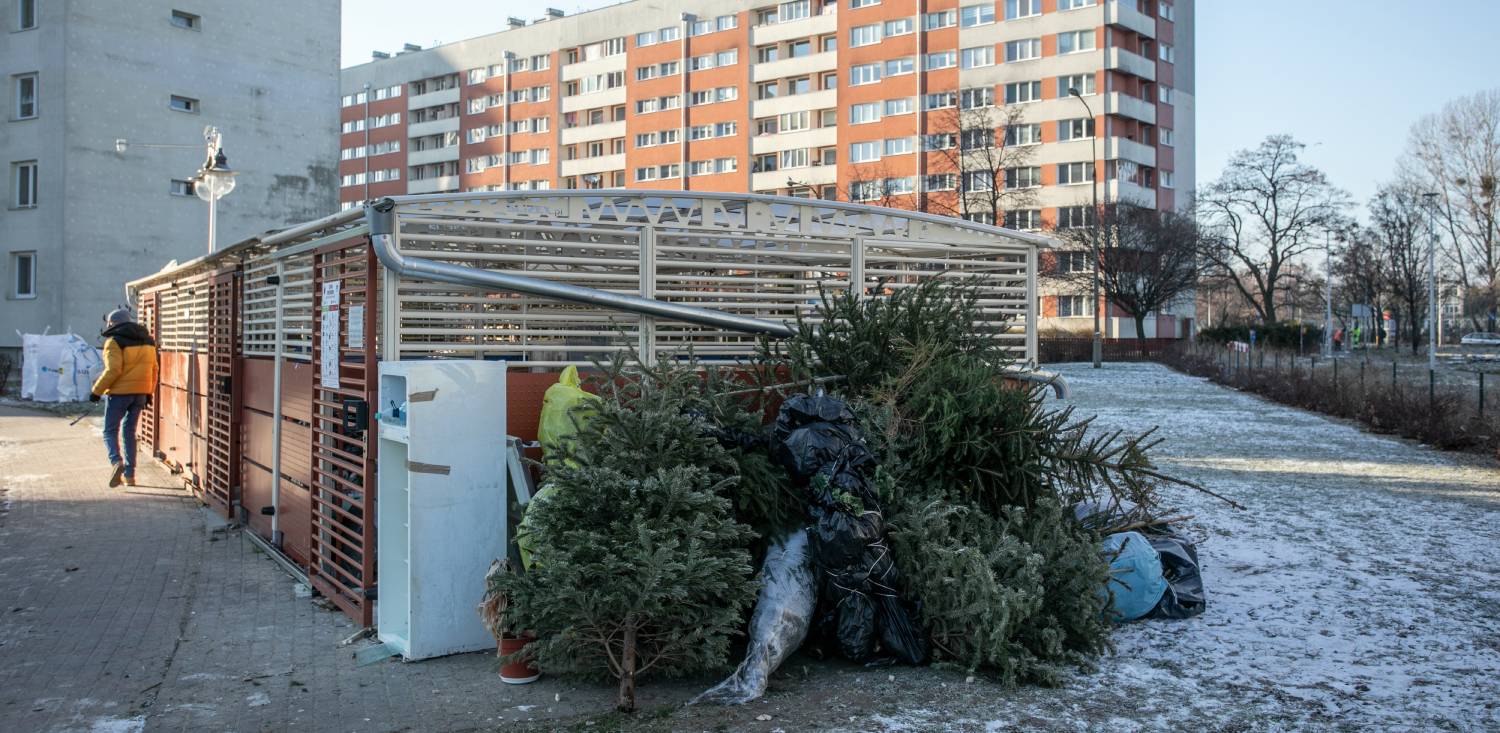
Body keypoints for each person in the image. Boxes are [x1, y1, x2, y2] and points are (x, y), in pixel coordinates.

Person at [90, 309, 159, 487]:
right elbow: (154, 369)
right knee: (129, 431)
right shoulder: (148, 340)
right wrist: (149, 392)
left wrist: (96, 391)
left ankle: (116, 462)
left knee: (109, 431)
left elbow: (113, 370)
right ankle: (130, 476)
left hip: (120, 394)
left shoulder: (113, 341)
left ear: (113, 324)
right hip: (140, 394)